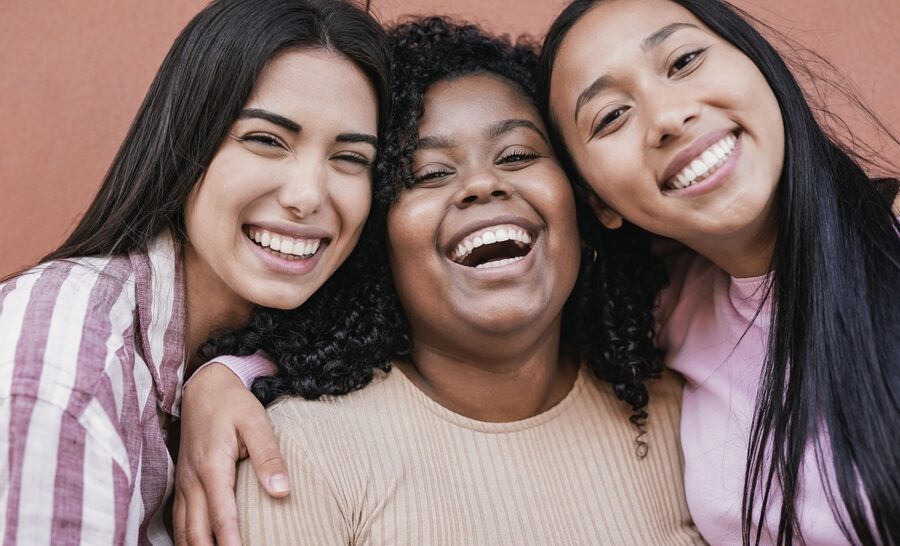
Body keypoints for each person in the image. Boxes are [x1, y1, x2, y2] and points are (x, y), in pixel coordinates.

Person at [216, 16, 701, 545]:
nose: (481, 184)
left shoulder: (689, 422)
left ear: (583, 205)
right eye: (427, 174)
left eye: (516, 156)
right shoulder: (298, 452)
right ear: (378, 243)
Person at [0, 0, 391, 543]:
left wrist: (231, 371)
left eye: (351, 158)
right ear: (187, 142)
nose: (307, 196)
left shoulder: (298, 330)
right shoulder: (68, 354)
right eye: (265, 140)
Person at [538, 0, 900, 544]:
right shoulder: (660, 318)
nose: (666, 118)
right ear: (599, 203)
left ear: (758, 63)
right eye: (611, 116)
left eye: (683, 61)